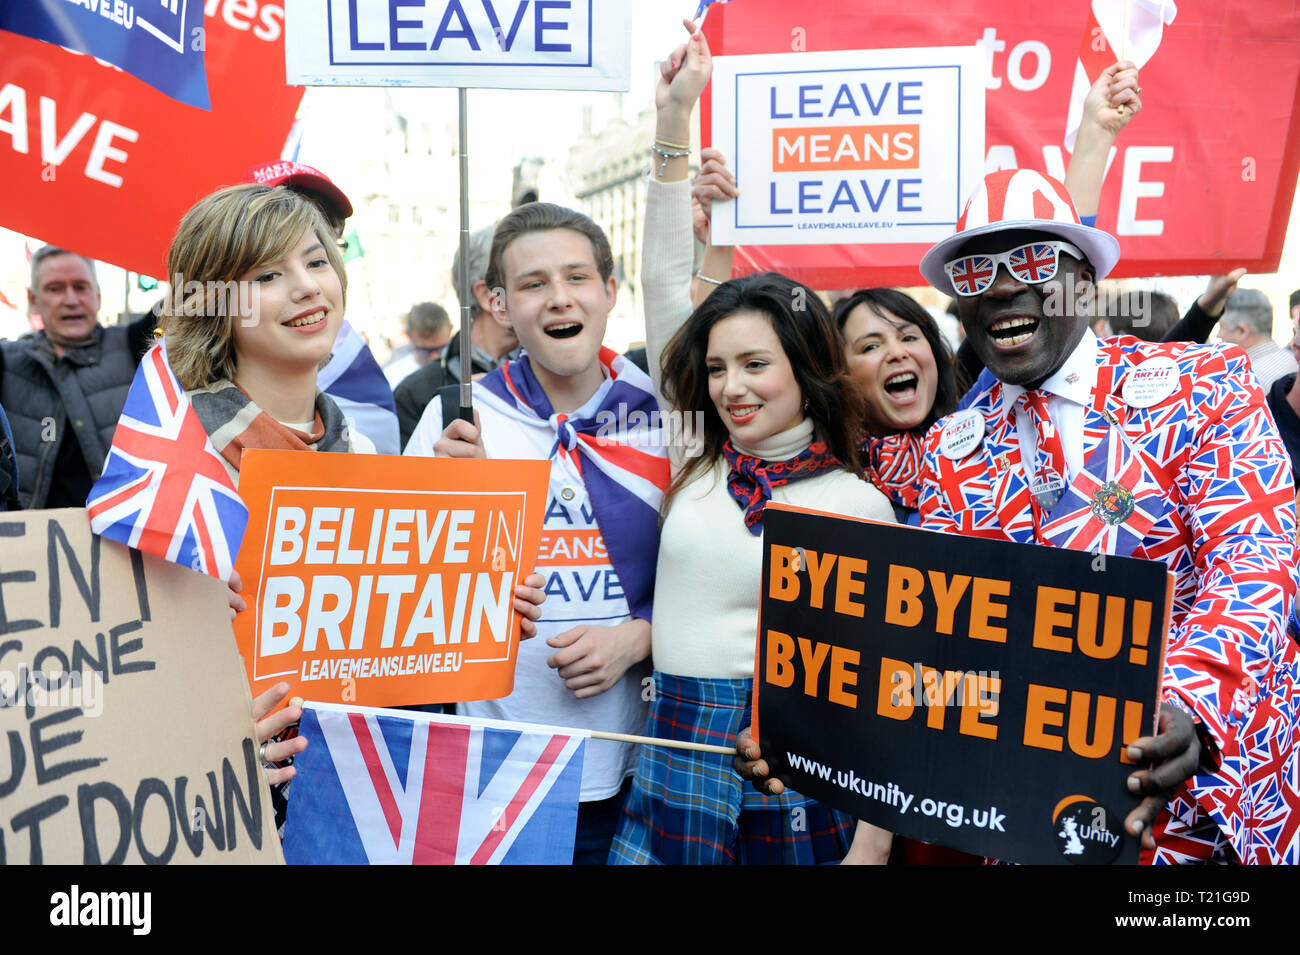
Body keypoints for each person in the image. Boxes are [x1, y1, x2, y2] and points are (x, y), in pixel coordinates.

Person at [742, 166, 1300, 865]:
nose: (1004, 285)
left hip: (1211, 810)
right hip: (1037, 826)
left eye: (1034, 259)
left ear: (1084, 283)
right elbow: (940, 635)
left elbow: (1256, 560)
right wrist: (815, 729)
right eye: (975, 271)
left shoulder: (1202, 387)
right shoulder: (951, 450)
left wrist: (1190, 705)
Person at [154, 184, 546, 818]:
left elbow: (387, 644)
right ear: (213, 304)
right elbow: (127, 674)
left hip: (358, 798)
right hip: (219, 813)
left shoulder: (360, 452)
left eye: (316, 262)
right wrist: (205, 742)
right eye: (268, 275)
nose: (309, 287)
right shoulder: (169, 457)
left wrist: (483, 601)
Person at [607, 21, 895, 866]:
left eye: (756, 365)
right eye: (720, 366)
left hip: (799, 777)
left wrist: (871, 848)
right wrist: (675, 119)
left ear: (806, 371)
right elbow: (666, 283)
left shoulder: (859, 503)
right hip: (674, 757)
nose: (731, 386)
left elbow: (885, 690)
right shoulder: (696, 452)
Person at [405, 202, 664, 865]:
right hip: (498, 774)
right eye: (532, 283)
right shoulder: (455, 418)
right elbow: (403, 609)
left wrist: (637, 637)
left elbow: (720, 581)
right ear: (497, 304)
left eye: (577, 277)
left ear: (610, 290)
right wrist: (450, 519)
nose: (558, 299)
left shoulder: (666, 410)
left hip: (645, 770)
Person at [0, 246, 155, 508]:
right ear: (33, 298)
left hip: (118, 537)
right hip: (29, 540)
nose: (70, 299)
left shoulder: (136, 345)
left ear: (98, 296)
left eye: (81, 287)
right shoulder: (6, 362)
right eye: (55, 288)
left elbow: (188, 300)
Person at [394, 225, 521, 449]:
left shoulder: (557, 378)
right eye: (531, 280)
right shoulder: (416, 393)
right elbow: (407, 481)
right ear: (487, 294)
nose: (554, 297)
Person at [1217, 287, 1297, 391]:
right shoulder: (1292, 359)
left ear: (1242, 331)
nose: (1218, 335)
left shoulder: (1246, 379)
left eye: (1221, 327)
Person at [384, 302, 452, 387]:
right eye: (425, 351)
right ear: (409, 335)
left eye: (441, 349)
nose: (434, 357)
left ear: (450, 330)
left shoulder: (463, 369)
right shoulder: (392, 377)